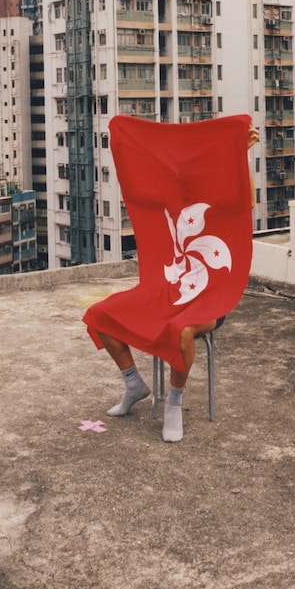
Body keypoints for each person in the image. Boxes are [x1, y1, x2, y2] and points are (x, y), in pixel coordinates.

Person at [88, 123, 259, 443]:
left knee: (181, 329)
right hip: (167, 289)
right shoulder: (169, 207)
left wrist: (240, 156)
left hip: (213, 294)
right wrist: (126, 146)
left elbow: (246, 204)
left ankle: (174, 403)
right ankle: (134, 384)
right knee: (100, 315)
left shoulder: (219, 204)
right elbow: (138, 190)